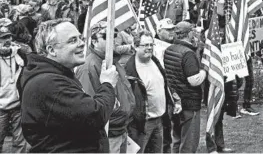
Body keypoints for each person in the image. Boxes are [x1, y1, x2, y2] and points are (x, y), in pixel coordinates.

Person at [19, 19, 118, 153]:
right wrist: (107, 85)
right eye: (72, 40)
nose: (82, 44)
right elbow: (95, 115)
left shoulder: (56, 75)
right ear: (51, 50)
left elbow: (80, 113)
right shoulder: (49, 83)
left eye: (80, 38)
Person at [76, 22, 136, 153]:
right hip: (108, 133)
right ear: (95, 41)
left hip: (121, 128)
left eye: (114, 35)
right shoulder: (88, 66)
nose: (112, 40)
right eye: (106, 36)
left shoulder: (113, 61)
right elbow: (88, 107)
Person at [125, 30, 181, 153]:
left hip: (160, 120)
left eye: (151, 45)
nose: (149, 48)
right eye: (145, 45)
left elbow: (166, 84)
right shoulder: (129, 71)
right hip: (141, 124)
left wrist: (175, 101)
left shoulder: (155, 62)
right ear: (135, 46)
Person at [163, 22, 206, 153]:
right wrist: (205, 70)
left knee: (177, 139)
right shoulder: (188, 54)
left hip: (175, 102)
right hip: (189, 103)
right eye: (193, 31)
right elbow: (194, 80)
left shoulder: (169, 49)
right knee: (188, 143)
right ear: (189, 33)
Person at [0, 24, 28, 153]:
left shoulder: (20, 54)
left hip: (18, 105)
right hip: (1, 108)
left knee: (20, 142)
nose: (6, 41)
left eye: (8, 37)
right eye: (2, 38)